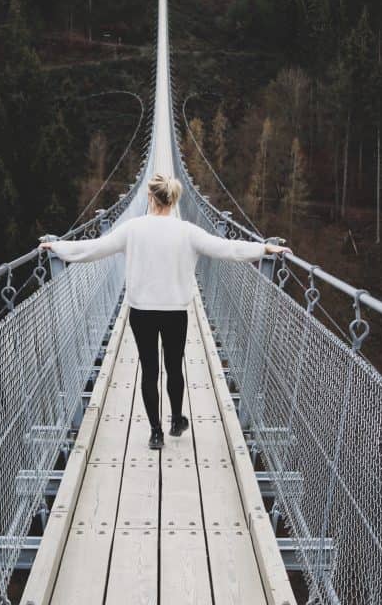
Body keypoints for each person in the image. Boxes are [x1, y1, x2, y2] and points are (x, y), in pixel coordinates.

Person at [40, 173, 291, 449]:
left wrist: (59, 248)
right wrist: (263, 248)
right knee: (174, 368)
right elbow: (227, 249)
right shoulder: (188, 231)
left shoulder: (132, 229)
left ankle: (155, 433)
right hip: (175, 313)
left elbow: (94, 249)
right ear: (173, 200)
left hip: (141, 312)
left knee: (149, 371)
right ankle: (175, 421)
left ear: (150, 197)